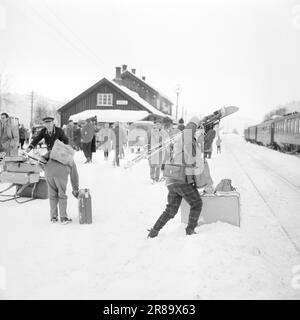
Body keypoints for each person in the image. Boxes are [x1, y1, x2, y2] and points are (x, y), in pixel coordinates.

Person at [147, 116, 203, 238]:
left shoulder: (175, 139)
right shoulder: (186, 138)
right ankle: (190, 230)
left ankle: (154, 231)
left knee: (171, 210)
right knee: (197, 203)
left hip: (171, 179)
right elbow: (190, 157)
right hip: (180, 178)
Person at [41, 150, 79, 224]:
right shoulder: (69, 156)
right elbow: (74, 175)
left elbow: (41, 160)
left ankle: (53, 217)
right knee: (62, 195)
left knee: (52, 195)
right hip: (61, 174)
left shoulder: (52, 151)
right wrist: (75, 188)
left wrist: (46, 170)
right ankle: (63, 218)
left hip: (48, 172)